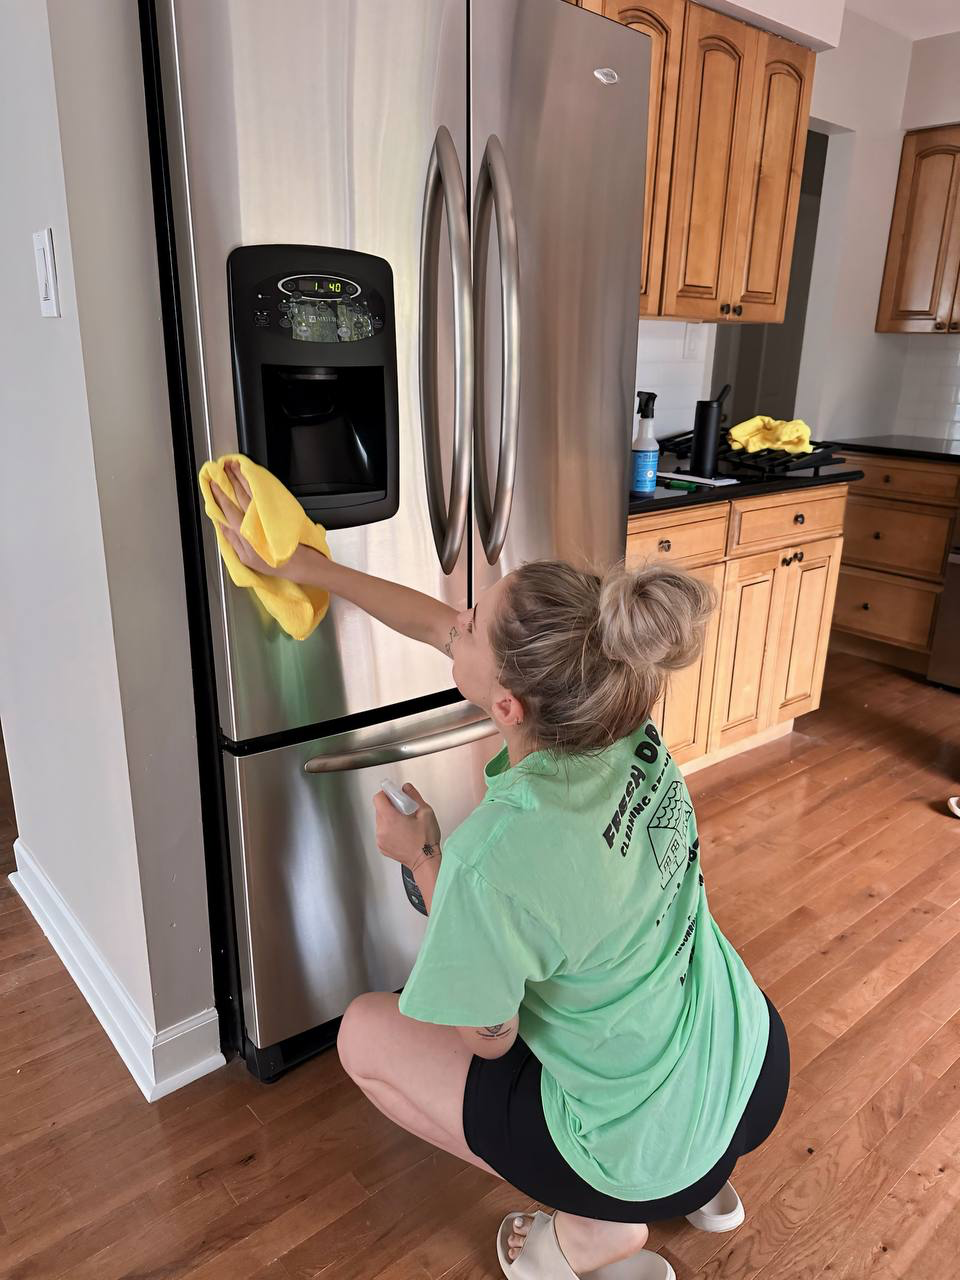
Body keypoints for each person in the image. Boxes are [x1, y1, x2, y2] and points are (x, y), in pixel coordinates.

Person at [212, 462, 791, 1280]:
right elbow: (439, 626)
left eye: (471, 624)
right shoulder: (624, 719)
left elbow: (490, 1041)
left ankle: (597, 1222)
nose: (455, 624)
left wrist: (424, 859)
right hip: (750, 1062)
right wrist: (307, 567)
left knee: (362, 1035)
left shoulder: (494, 856)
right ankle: (704, 1172)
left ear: (507, 707)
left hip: (641, 1149)